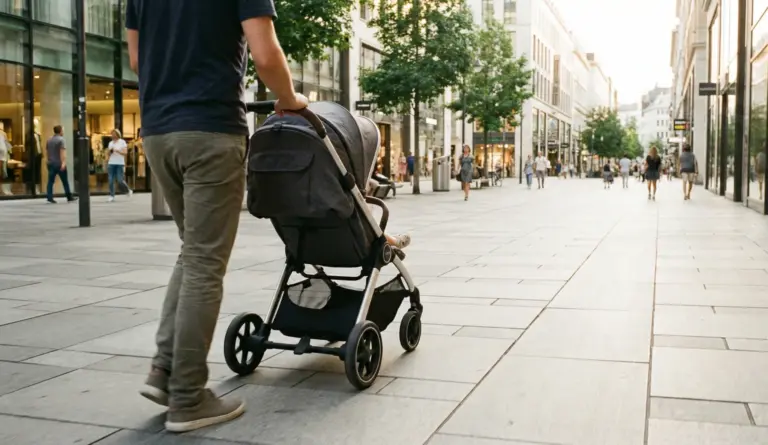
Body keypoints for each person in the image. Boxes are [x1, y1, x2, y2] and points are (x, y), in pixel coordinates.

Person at [127, 0, 309, 433]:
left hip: (157, 132)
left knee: (192, 252)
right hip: (210, 129)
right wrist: (290, 99)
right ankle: (188, 397)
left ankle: (164, 371)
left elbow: (137, 59)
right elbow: (266, 55)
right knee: (205, 263)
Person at [45, 125, 76, 204]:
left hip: (51, 163)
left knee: (50, 181)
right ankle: (69, 196)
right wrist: (63, 163)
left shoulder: (49, 140)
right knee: (65, 181)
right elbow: (62, 152)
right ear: (60, 131)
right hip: (59, 163)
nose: (63, 131)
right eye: (63, 130)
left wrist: (48, 160)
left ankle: (49, 196)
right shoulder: (61, 140)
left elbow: (47, 152)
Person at [106, 129, 133, 202]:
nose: (112, 135)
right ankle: (112, 196)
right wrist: (109, 153)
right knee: (110, 180)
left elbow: (125, 153)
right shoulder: (110, 143)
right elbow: (108, 153)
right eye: (112, 134)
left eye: (114, 134)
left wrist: (117, 150)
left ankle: (128, 190)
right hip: (111, 163)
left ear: (117, 134)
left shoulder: (122, 142)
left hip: (120, 163)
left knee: (120, 180)